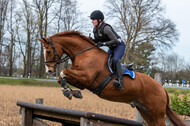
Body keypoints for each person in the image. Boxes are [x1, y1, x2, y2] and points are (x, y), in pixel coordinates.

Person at [90, 10, 126, 91]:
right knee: (104, 60)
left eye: (93, 19)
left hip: (119, 46)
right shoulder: (95, 29)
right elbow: (97, 40)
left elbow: (115, 40)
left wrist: (103, 44)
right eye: (91, 20)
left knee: (116, 60)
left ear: (99, 20)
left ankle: (120, 81)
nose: (92, 21)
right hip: (112, 47)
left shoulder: (106, 28)